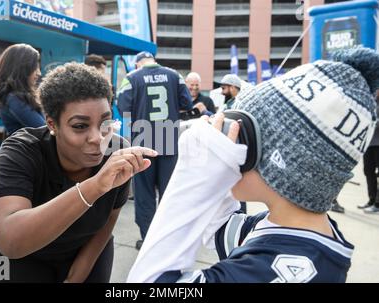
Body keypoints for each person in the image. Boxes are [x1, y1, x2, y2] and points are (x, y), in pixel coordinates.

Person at [127, 47, 379, 283]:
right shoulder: (288, 230)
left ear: (279, 163)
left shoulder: (283, 272)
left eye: (240, 130)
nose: (229, 135)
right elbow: (221, 226)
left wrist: (189, 178)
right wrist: (212, 169)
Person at [0, 62, 157, 283]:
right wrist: (94, 186)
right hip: (23, 257)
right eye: (80, 126)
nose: (97, 138)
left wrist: (75, 277)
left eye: (105, 122)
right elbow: (10, 241)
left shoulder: (117, 152)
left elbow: (107, 223)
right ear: (52, 124)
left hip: (84, 247)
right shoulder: (22, 150)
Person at [117, 51, 193, 250]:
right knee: (170, 195)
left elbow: (123, 105)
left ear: (138, 64)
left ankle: (148, 240)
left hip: (143, 141)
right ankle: (170, 239)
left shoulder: (131, 78)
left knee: (144, 195)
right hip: (169, 140)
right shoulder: (174, 75)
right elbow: (187, 103)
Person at [0, 43, 45, 135]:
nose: (39, 73)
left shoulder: (15, 97)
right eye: (35, 67)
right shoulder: (14, 99)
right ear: (22, 69)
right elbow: (46, 132)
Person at [360, 92, 379, 214]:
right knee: (368, 170)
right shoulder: (372, 100)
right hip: (370, 142)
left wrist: (370, 122)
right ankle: (371, 199)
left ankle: (377, 204)